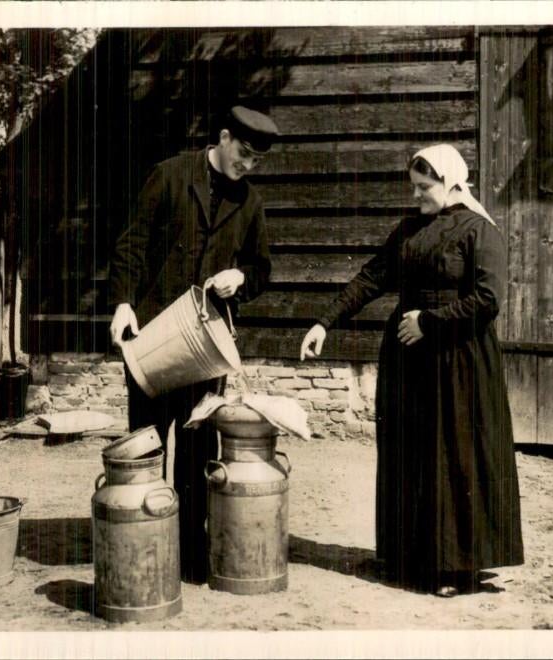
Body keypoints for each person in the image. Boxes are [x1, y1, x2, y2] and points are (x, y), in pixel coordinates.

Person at [299, 144, 524, 597]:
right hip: (408, 362)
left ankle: (455, 567)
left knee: (453, 457)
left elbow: (488, 300)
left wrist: (429, 322)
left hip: (459, 360)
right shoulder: (408, 230)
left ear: (451, 182)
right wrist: (324, 322)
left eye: (424, 187)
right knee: (410, 455)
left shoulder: (480, 231)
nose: (416, 195)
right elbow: (370, 278)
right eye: (414, 187)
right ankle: (408, 557)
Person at [108, 106, 277, 583]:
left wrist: (240, 277)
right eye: (243, 153)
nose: (247, 165)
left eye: (256, 160)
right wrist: (122, 303)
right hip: (154, 337)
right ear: (223, 137)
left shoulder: (250, 202)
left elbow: (262, 270)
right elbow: (131, 244)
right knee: (147, 442)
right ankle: (143, 541)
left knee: (199, 445)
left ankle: (189, 549)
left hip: (206, 346)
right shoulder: (170, 175)